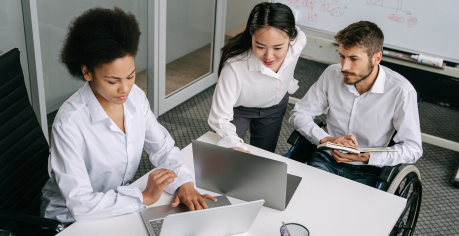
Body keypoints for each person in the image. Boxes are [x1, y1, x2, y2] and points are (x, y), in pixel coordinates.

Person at [40, 7, 216, 224]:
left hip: (118, 204)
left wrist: (184, 183)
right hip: (70, 221)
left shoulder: (135, 98)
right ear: (87, 73)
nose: (124, 88)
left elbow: (162, 148)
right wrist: (144, 197)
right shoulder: (69, 123)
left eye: (130, 76)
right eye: (113, 81)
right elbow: (80, 205)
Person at [289, 21, 422, 187]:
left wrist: (367, 157)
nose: (344, 66)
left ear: (376, 58)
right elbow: (299, 114)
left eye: (354, 59)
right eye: (342, 56)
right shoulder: (332, 74)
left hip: (368, 169)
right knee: (304, 199)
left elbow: (413, 148)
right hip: (327, 158)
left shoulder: (401, 91)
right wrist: (326, 139)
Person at [208, 2, 307, 153]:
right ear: (251, 36)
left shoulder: (299, 41)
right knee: (230, 154)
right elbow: (219, 117)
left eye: (278, 48)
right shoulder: (235, 67)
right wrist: (236, 145)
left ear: (291, 38)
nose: (269, 56)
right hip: (239, 109)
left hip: (275, 106)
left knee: (265, 155)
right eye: (260, 46)